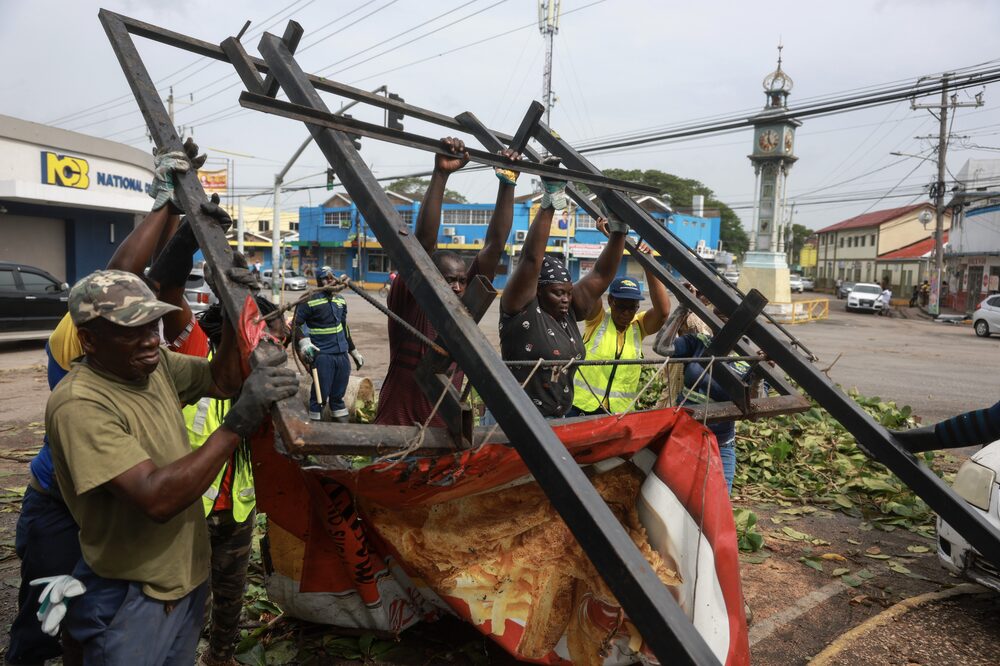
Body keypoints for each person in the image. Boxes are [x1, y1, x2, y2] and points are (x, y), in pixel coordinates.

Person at [6, 140, 212, 666]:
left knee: (87, 619)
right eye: (132, 322)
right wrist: (165, 204)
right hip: (63, 506)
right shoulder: (81, 336)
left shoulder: (145, 348)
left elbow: (147, 282)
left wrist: (185, 222)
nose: (145, 333)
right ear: (93, 334)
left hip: (119, 516)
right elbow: (122, 271)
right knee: (42, 621)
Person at [46, 270, 298, 665]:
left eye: (153, 325)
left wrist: (235, 309)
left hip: (184, 581)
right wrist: (237, 425)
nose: (151, 339)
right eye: (132, 330)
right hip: (134, 592)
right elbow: (156, 498)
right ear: (89, 340)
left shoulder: (154, 365)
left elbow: (223, 381)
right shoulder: (81, 404)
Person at [375, 138, 518, 427]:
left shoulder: (466, 312)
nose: (455, 287)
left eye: (461, 281)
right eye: (447, 279)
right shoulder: (410, 301)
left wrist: (508, 182)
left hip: (444, 436)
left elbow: (494, 246)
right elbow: (423, 243)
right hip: (395, 430)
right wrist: (441, 174)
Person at [499, 172, 627, 419]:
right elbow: (531, 259)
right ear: (537, 290)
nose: (566, 299)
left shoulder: (567, 313)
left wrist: (618, 231)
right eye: (558, 293)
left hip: (557, 420)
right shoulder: (520, 307)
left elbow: (601, 274)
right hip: (515, 420)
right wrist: (549, 203)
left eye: (568, 293)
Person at [570, 236, 671, 416]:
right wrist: (616, 240)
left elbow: (663, 311)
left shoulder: (638, 327)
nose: (626, 312)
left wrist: (648, 262)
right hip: (580, 408)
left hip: (619, 413)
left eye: (632, 307)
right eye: (621, 306)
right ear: (610, 300)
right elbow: (596, 283)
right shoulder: (597, 319)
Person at [296, 266, 363, 422]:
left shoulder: (341, 300)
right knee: (320, 397)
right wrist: (304, 343)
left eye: (332, 277)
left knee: (338, 396)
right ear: (319, 281)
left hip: (342, 355)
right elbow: (294, 325)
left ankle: (340, 433)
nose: (330, 280)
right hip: (323, 355)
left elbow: (344, 327)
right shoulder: (309, 300)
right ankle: (314, 430)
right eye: (326, 278)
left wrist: (354, 352)